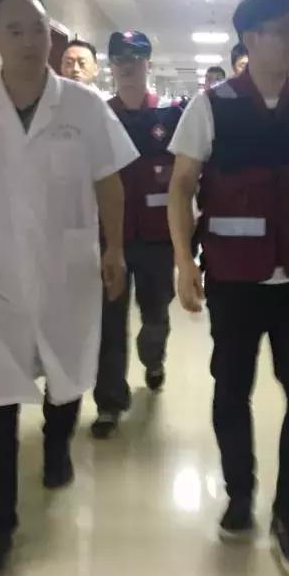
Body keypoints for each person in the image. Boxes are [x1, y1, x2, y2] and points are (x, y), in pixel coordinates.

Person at [0, 0, 138, 576]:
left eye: (38, 30)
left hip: (67, 266)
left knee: (66, 374)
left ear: (52, 37)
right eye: (14, 30)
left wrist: (114, 247)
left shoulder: (84, 106)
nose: (28, 41)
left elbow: (108, 182)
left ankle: (56, 445)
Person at [168, 0, 289, 576]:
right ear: (250, 38)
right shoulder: (212, 107)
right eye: (284, 30)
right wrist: (184, 262)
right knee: (231, 390)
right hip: (235, 279)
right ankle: (240, 495)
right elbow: (181, 188)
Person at [91, 31, 182, 439]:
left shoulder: (170, 114)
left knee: (155, 314)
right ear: (111, 64)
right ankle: (109, 402)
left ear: (148, 62)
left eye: (135, 57)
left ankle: (154, 358)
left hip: (157, 238)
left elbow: (185, 178)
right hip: (110, 236)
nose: (127, 65)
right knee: (109, 321)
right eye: (119, 58)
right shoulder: (98, 115)